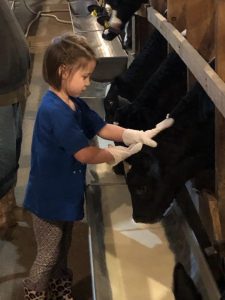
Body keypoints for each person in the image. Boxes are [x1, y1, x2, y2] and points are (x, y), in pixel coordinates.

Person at [23, 33, 174, 300]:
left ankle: (59, 289)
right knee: (48, 253)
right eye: (85, 76)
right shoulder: (54, 111)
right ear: (63, 72)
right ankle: (34, 293)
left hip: (63, 193)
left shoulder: (73, 104)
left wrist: (133, 134)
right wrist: (115, 155)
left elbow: (102, 127)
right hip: (47, 198)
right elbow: (84, 154)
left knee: (63, 245)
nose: (88, 82)